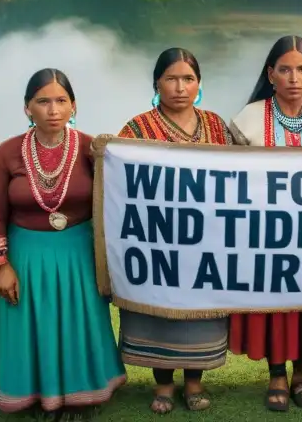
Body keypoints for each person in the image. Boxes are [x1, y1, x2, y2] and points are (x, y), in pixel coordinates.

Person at [0, 68, 126, 415]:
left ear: (73, 106)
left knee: (79, 322)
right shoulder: (7, 153)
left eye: (61, 101)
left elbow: (118, 200)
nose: (53, 110)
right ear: (27, 108)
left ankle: (83, 393)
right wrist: (2, 266)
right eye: (43, 101)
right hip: (27, 255)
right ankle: (37, 394)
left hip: (79, 254)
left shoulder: (93, 149)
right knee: (33, 325)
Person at [115, 48, 235, 415]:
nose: (180, 87)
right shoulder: (136, 129)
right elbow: (119, 179)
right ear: (157, 83)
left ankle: (194, 382)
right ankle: (164, 385)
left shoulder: (215, 126)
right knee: (159, 314)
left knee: (202, 313)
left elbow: (235, 177)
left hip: (207, 242)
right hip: (157, 243)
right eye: (171, 78)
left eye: (188, 78)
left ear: (199, 84)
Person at [227, 35, 302, 412]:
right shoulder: (246, 119)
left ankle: (301, 373)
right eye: (285, 69)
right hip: (265, 233)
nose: (293, 77)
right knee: (273, 305)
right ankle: (276, 374)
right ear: (270, 74)